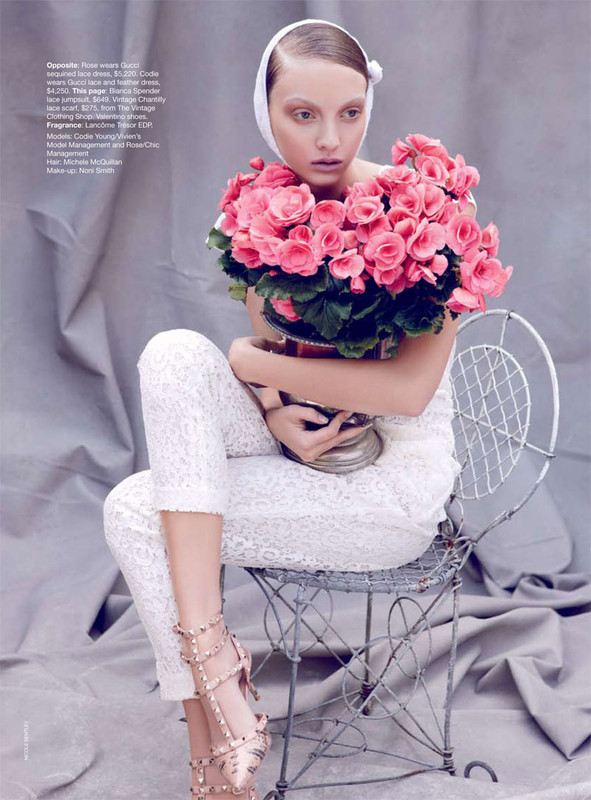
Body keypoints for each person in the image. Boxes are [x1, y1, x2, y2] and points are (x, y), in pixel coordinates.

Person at [103, 18, 476, 800]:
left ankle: (211, 745)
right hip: (303, 447)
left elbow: (407, 392)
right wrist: (273, 410)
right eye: (302, 114)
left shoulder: (424, 213)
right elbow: (283, 361)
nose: (329, 138)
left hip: (387, 490)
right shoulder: (262, 212)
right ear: (265, 112)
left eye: (349, 112)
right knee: (171, 353)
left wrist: (248, 364)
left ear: (369, 105)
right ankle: (219, 684)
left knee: (135, 512)